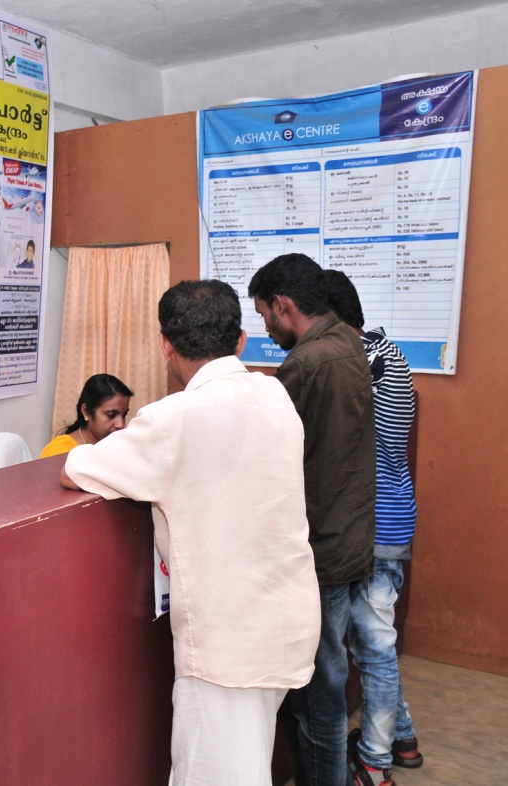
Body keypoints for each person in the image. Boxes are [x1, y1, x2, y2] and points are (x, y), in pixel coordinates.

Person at [61, 279, 320, 784]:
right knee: (245, 765)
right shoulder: (274, 393)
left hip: (226, 646)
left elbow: (76, 470)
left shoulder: (172, 420)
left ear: (165, 345)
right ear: (240, 340)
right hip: (285, 624)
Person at [248, 254, 377, 786]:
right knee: (328, 678)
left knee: (318, 696)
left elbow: (265, 453)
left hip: (319, 552)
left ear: (284, 306)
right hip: (349, 541)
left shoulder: (304, 364)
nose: (265, 329)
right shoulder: (350, 343)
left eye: (264, 317)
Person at [323, 270, 425, 784]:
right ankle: (401, 738)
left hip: (373, 523)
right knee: (375, 642)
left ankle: (374, 762)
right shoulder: (388, 351)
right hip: (393, 515)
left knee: (374, 648)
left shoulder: (356, 363)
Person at [39, 373, 132, 458]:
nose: (121, 424)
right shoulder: (61, 451)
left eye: (124, 415)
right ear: (85, 411)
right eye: (111, 415)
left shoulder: (116, 445)